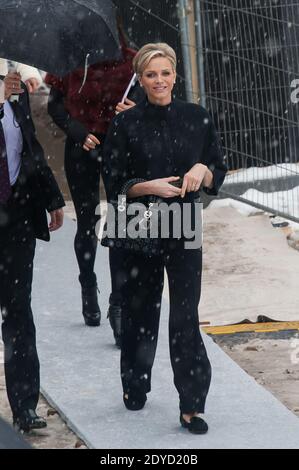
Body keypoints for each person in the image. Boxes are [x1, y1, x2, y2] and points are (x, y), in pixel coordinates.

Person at [102, 43, 227, 434]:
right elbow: (113, 180)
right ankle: (135, 384)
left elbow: (217, 168)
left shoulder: (197, 117)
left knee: (185, 314)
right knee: (141, 310)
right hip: (138, 220)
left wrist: (201, 169)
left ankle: (192, 404)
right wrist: (145, 186)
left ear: (175, 75)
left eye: (165, 73)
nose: (159, 81)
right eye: (151, 75)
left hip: (184, 220)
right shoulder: (125, 123)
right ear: (140, 79)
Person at [44, 27, 142, 347]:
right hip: (82, 148)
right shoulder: (69, 63)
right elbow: (55, 107)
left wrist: (133, 113)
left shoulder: (132, 62)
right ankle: (88, 284)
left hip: (119, 148)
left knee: (120, 222)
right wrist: (76, 130)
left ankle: (119, 299)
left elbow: (146, 101)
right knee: (86, 220)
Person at [0, 71, 64, 432]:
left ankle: (25, 406)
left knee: (18, 310)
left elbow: (31, 147)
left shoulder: (15, 96)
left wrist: (52, 197)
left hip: (17, 219)